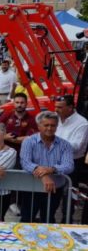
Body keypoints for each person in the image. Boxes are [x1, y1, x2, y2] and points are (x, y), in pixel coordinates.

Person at [20, 111, 74, 223]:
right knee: (26, 220)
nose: (49, 128)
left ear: (57, 126)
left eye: (53, 125)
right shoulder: (29, 141)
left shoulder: (65, 145)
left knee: (48, 220)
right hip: (31, 188)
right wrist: (44, 176)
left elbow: (69, 166)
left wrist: (51, 169)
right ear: (39, 126)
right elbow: (25, 162)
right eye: (46, 125)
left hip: (54, 190)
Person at [54, 95, 88, 223]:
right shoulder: (54, 118)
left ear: (70, 108)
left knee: (69, 196)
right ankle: (50, 219)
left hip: (73, 163)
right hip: (54, 161)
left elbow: (76, 146)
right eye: (56, 107)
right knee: (53, 194)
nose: (56, 110)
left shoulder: (82, 123)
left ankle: (67, 221)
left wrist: (54, 142)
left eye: (60, 107)